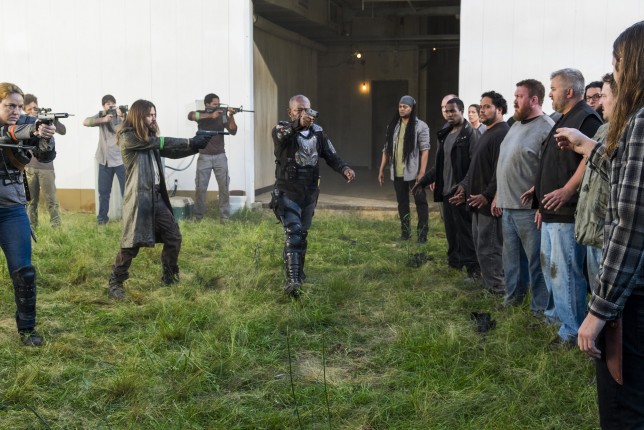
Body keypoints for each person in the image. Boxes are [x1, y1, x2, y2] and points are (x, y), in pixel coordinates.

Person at [556, 20, 644, 429]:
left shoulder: (640, 122)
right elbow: (630, 180)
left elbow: (631, 224)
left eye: (618, 63)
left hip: (632, 297)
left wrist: (599, 310)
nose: (615, 73)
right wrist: (590, 147)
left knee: (623, 409)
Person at [107, 100, 211, 299]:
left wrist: (197, 146)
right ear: (139, 116)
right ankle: (115, 283)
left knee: (173, 236)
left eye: (155, 115)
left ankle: (169, 276)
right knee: (131, 244)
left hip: (155, 197)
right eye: (149, 115)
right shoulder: (129, 137)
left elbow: (170, 150)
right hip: (139, 199)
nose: (153, 118)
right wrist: (190, 142)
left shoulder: (149, 138)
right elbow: (160, 142)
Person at [532, 68, 602, 346]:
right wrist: (538, 194)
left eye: (553, 88)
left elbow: (591, 156)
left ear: (569, 91)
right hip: (551, 210)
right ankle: (556, 319)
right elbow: (554, 162)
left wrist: (567, 190)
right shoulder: (562, 118)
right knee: (551, 270)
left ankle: (571, 331)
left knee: (565, 274)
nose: (549, 94)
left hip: (567, 211)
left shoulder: (586, 117)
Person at [271, 95, 355, 297]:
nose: (304, 113)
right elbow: (285, 134)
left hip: (309, 192)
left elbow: (331, 155)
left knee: (302, 234)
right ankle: (293, 281)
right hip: (288, 191)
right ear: (290, 112)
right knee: (293, 232)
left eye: (306, 110)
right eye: (299, 110)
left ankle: (299, 273)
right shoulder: (281, 129)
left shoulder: (318, 132)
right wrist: (299, 124)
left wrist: (344, 168)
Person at [0, 82, 57, 346]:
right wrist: (28, 130)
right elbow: (8, 133)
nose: (16, 111)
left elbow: (44, 157)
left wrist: (45, 136)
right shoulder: (21, 126)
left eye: (19, 106)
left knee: (24, 272)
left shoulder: (27, 123)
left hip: (12, 210)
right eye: (9, 105)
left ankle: (27, 329)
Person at [494, 79, 553, 313]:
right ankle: (513, 301)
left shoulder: (547, 127)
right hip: (508, 205)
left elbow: (551, 168)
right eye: (515, 95)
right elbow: (505, 162)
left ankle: (539, 309)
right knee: (511, 261)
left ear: (534, 100)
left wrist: (541, 202)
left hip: (529, 210)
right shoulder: (515, 125)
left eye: (519, 96)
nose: (515, 100)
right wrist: (498, 194)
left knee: (536, 262)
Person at [414, 98, 480, 278]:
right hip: (446, 192)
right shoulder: (445, 134)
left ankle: (473, 270)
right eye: (447, 111)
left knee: (465, 233)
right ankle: (454, 264)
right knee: (451, 232)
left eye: (453, 111)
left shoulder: (470, 134)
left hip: (460, 193)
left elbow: (475, 166)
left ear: (462, 111)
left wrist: (464, 186)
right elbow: (439, 165)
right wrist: (423, 181)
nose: (449, 114)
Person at [451, 91, 509, 293]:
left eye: (487, 107)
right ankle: (488, 282)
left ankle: (497, 288)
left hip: (488, 204)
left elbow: (500, 170)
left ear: (499, 110)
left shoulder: (502, 133)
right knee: (480, 245)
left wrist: (487, 195)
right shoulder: (487, 132)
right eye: (481, 106)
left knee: (490, 247)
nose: (482, 110)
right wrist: (464, 187)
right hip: (476, 201)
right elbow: (476, 166)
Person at [575, 73, 615, 286]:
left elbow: (617, 171)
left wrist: (585, 145)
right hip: (593, 226)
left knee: (608, 293)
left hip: (610, 232)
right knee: (596, 287)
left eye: (603, 96)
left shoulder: (632, 128)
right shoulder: (603, 128)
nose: (599, 103)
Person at [377, 95, 430, 242]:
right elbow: (386, 149)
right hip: (397, 172)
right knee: (402, 203)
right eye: (400, 106)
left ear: (411, 109)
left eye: (405, 107)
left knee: (421, 202)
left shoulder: (421, 126)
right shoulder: (393, 126)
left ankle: (422, 235)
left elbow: (425, 150)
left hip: (414, 172)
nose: (402, 109)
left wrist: (422, 172)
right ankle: (405, 233)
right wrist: (381, 169)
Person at [187, 93, 237, 222]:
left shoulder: (222, 115)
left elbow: (233, 131)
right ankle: (198, 217)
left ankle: (225, 217)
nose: (218, 106)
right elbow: (190, 115)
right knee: (200, 188)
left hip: (220, 156)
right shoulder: (201, 114)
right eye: (215, 104)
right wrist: (210, 115)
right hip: (204, 156)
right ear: (207, 104)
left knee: (224, 187)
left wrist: (231, 116)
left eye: (219, 104)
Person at [23, 94, 65, 228]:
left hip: (46, 167)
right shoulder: (24, 122)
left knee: (51, 200)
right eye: (29, 109)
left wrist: (54, 121)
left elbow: (63, 131)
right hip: (29, 167)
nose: (33, 111)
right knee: (31, 201)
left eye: (35, 108)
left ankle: (56, 227)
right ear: (24, 110)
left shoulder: (45, 120)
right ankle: (32, 227)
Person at [83, 95, 126, 225]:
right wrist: (103, 119)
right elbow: (85, 122)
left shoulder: (121, 115)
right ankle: (102, 220)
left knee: (126, 192)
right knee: (103, 193)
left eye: (113, 103)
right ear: (103, 106)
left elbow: (132, 126)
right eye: (108, 104)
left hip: (120, 160)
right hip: (104, 160)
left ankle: (129, 219)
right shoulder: (101, 115)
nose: (110, 106)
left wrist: (123, 117)